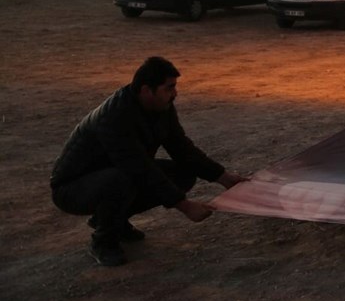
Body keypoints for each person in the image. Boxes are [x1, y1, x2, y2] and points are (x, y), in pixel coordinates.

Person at [50, 57, 248, 266]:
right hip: (72, 189)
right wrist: (185, 206)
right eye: (169, 88)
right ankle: (103, 241)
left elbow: (182, 149)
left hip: (115, 174)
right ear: (146, 90)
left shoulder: (161, 107)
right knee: (122, 179)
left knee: (182, 174)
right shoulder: (114, 118)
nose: (175, 94)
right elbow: (138, 168)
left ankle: (112, 220)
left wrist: (223, 177)